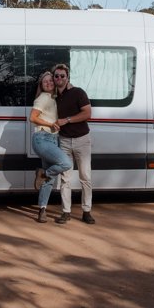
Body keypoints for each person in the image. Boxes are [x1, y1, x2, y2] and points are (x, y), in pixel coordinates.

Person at [52, 63, 95, 225]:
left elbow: (87, 113)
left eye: (62, 76)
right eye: (56, 76)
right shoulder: (54, 96)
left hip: (82, 139)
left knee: (85, 176)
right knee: (65, 178)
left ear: (67, 77)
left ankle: (86, 211)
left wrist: (67, 120)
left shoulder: (78, 92)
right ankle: (66, 212)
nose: (59, 78)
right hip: (63, 141)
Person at [29, 71, 73, 224]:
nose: (48, 83)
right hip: (43, 139)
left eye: (50, 81)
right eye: (44, 81)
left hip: (52, 139)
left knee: (49, 180)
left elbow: (66, 88)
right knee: (66, 163)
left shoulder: (54, 98)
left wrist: (69, 86)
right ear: (41, 85)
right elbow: (32, 117)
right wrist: (51, 124)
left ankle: (42, 210)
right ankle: (43, 173)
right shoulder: (43, 98)